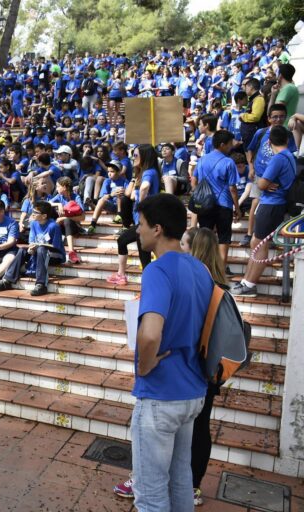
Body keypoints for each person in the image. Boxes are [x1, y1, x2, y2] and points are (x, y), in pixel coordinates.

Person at [129, 193, 212, 511]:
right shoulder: (200, 269)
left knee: (150, 494)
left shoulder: (157, 270)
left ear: (158, 229)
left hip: (161, 394)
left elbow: (151, 334)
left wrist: (145, 366)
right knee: (180, 481)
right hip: (192, 390)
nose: (138, 230)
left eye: (141, 224)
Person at [233, 125, 298, 297]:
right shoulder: (289, 156)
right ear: (287, 140)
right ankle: (246, 281)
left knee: (259, 244)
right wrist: (266, 183)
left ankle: (250, 285)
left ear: (269, 142)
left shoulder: (278, 158)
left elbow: (261, 184)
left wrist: (264, 182)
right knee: (256, 243)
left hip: (272, 204)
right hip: (272, 204)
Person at [107, 144, 161, 285]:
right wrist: (134, 178)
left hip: (146, 220)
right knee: (143, 255)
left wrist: (141, 206)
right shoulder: (143, 173)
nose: (133, 158)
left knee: (124, 242)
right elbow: (129, 195)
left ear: (145, 156)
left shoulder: (149, 172)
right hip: (141, 221)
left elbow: (145, 187)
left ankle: (124, 276)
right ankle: (139, 282)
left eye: (136, 155)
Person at [190, 130, 240, 265]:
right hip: (224, 205)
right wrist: (237, 208)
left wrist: (198, 193)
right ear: (222, 144)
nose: (231, 146)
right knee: (224, 239)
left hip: (205, 205)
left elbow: (194, 180)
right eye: (230, 144)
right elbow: (232, 188)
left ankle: (202, 269)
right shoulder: (228, 162)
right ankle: (221, 272)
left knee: (205, 239)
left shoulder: (202, 159)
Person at [27, 201, 65, 296]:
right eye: (32, 211)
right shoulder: (33, 223)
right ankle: (7, 279)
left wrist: (39, 246)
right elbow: (31, 241)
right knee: (20, 251)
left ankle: (41, 284)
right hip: (39, 251)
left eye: (36, 212)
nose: (32, 214)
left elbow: (56, 246)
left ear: (44, 216)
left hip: (55, 255)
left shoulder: (54, 226)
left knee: (41, 249)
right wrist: (31, 248)